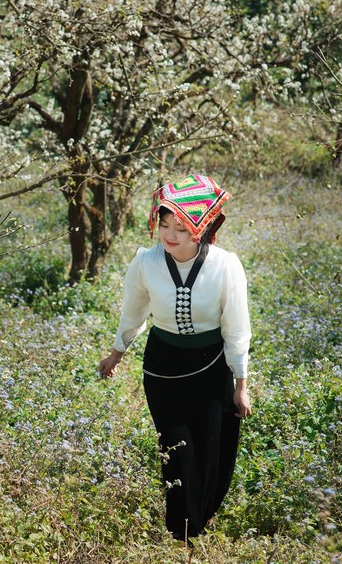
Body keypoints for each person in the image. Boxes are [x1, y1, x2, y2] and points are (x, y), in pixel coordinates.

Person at [98, 174, 252, 544]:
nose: (170, 236)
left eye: (180, 229)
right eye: (165, 226)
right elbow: (133, 312)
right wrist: (116, 353)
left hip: (212, 368)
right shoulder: (146, 263)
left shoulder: (224, 265)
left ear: (200, 229)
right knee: (178, 450)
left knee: (213, 450)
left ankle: (199, 520)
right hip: (163, 368)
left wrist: (241, 384)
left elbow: (237, 328)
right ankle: (182, 534)